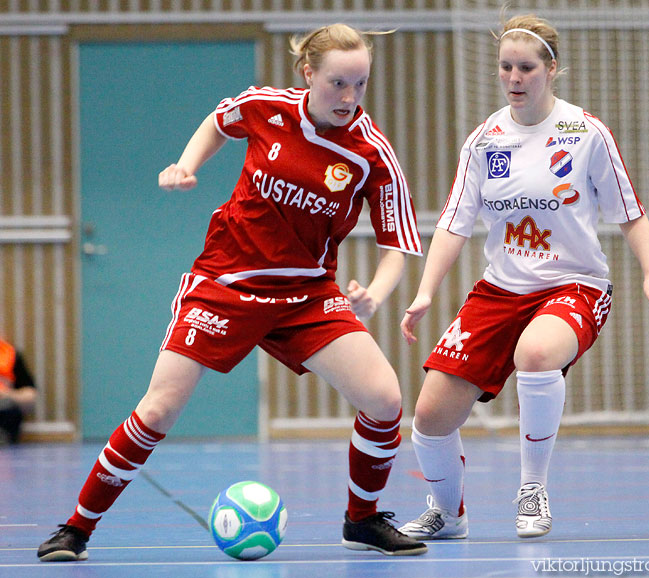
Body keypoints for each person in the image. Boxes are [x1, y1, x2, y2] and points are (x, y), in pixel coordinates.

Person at [38, 23, 427, 561]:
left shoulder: (370, 152)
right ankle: (76, 529)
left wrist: (377, 295)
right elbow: (217, 123)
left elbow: (397, 244)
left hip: (306, 296)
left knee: (384, 401)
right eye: (338, 82)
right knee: (159, 410)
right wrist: (186, 165)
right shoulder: (265, 107)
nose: (349, 97)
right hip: (225, 283)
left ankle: (361, 520)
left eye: (360, 84)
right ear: (308, 73)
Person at [397, 13, 649, 541]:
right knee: (430, 416)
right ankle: (448, 512)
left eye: (526, 67)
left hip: (575, 285)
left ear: (551, 70)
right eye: (505, 67)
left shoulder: (585, 132)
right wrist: (424, 292)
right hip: (500, 290)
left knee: (535, 354)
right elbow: (454, 224)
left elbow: (629, 210)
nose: (513, 77)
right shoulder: (485, 140)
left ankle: (532, 488)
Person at [0, 336, 37, 445]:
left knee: (8, 407)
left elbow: (31, 396)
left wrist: (7, 395)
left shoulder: (10, 355)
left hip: (4, 410)